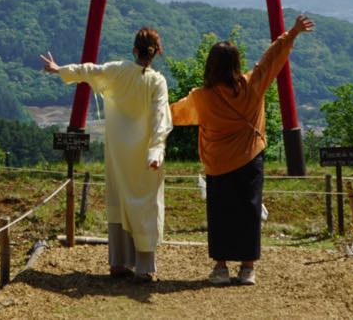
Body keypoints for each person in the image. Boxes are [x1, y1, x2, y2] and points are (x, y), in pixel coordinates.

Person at [170, 15, 315, 286]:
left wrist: (143, 110)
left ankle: (221, 266)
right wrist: (292, 33)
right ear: (236, 64)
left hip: (217, 162)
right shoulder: (252, 85)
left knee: (220, 212)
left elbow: (174, 114)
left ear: (210, 66)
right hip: (250, 158)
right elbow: (271, 58)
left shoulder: (202, 97)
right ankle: (248, 268)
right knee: (249, 210)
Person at [40, 27, 172, 281]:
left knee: (119, 201)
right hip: (146, 155)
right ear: (156, 53)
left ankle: (118, 262)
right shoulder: (157, 82)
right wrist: (156, 150)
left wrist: (59, 69)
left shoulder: (118, 69)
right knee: (144, 204)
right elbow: (160, 118)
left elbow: (90, 70)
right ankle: (144, 267)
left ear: (134, 50)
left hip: (119, 153)